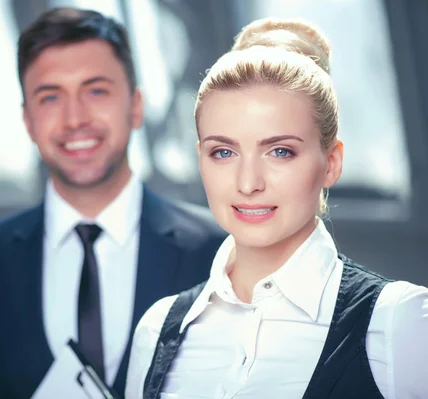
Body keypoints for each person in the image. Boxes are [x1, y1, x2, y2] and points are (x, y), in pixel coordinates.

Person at [0, 7, 226, 399]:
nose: (74, 118)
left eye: (96, 91)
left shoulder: (219, 250)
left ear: (134, 106)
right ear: (28, 120)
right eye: (50, 97)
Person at [125, 17, 428, 399]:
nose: (248, 182)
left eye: (280, 151)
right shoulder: (156, 331)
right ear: (200, 158)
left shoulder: (401, 324)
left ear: (331, 162)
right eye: (223, 152)